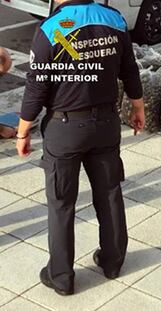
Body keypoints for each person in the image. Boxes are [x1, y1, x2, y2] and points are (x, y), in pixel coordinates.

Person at [16, 0, 145, 296]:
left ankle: (61, 276)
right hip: (106, 124)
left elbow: (37, 87)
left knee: (61, 203)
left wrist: (23, 132)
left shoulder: (51, 29)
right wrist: (138, 106)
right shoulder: (114, 19)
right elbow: (129, 69)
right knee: (109, 192)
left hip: (65, 129)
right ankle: (113, 262)